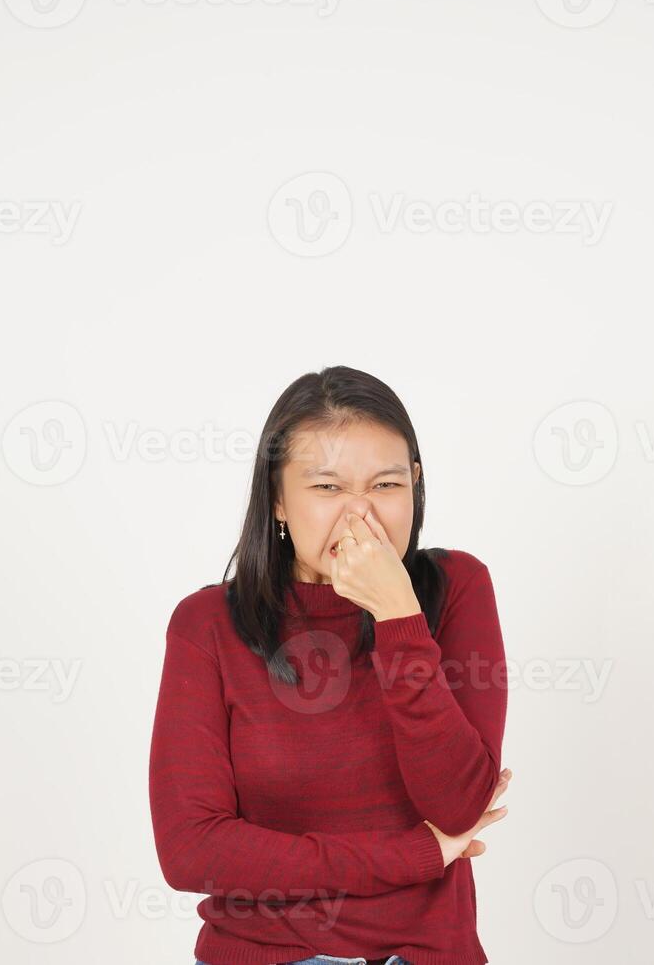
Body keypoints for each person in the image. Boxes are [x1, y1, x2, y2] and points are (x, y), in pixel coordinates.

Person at [149, 366, 511, 965]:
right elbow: (192, 850)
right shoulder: (206, 625)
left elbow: (457, 807)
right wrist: (413, 856)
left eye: (387, 486)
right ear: (277, 499)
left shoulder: (457, 589)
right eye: (326, 488)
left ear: (415, 486)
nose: (361, 516)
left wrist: (398, 616)